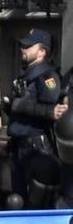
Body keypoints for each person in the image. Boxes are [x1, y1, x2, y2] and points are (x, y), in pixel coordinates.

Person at [8, 29, 66, 210]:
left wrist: (20, 105)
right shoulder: (26, 77)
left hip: (37, 148)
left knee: (37, 205)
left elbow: (53, 110)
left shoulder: (47, 77)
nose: (22, 49)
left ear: (42, 51)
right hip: (19, 148)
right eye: (23, 45)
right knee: (17, 203)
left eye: (28, 46)